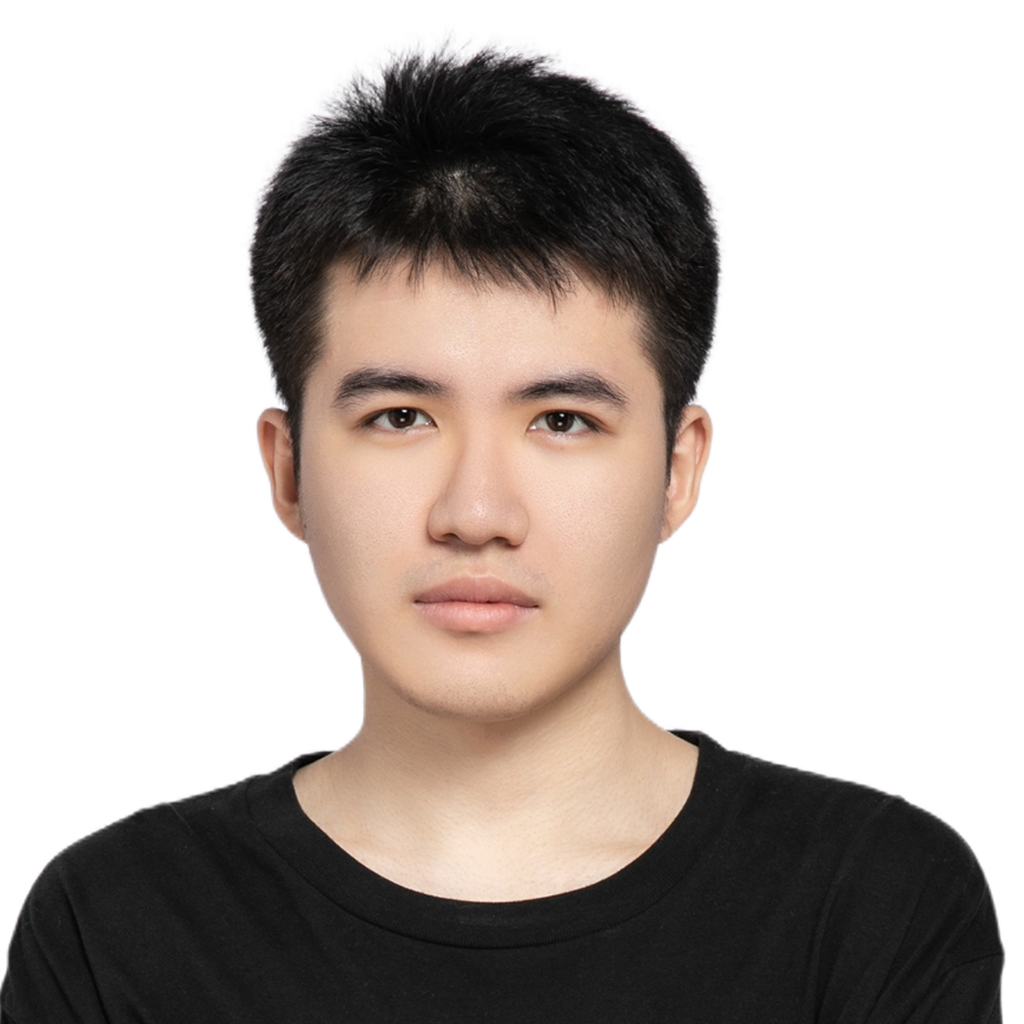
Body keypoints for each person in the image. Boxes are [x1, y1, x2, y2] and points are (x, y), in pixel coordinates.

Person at [0, 25, 1004, 1023]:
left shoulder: (871, 898)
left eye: (562, 420)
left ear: (677, 469)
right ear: (288, 469)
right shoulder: (118, 923)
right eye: (400, 417)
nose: (475, 514)